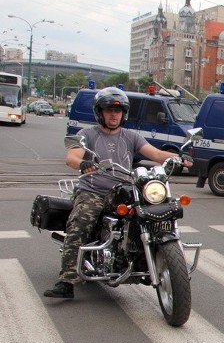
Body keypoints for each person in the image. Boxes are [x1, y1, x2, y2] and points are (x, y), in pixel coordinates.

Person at [43, 87, 192, 299]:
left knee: (154, 210)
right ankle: (67, 280)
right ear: (100, 113)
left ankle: (150, 256)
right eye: (109, 110)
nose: (114, 114)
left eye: (118, 110)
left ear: (124, 113)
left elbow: (157, 154)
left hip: (123, 190)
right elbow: (72, 157)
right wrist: (83, 163)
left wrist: (179, 156)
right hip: (93, 191)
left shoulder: (131, 136)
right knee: (80, 223)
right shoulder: (87, 135)